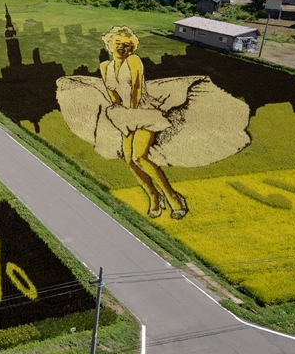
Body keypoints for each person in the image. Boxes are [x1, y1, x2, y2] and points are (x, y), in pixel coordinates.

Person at [56, 26, 251, 220]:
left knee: (140, 157)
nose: (122, 48)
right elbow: (113, 93)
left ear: (131, 48)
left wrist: (132, 113)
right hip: (124, 116)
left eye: (126, 45)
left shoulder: (133, 61)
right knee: (130, 161)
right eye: (118, 44)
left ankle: (174, 198)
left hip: (143, 112)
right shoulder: (105, 67)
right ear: (109, 45)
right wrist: (119, 113)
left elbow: (137, 89)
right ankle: (154, 197)